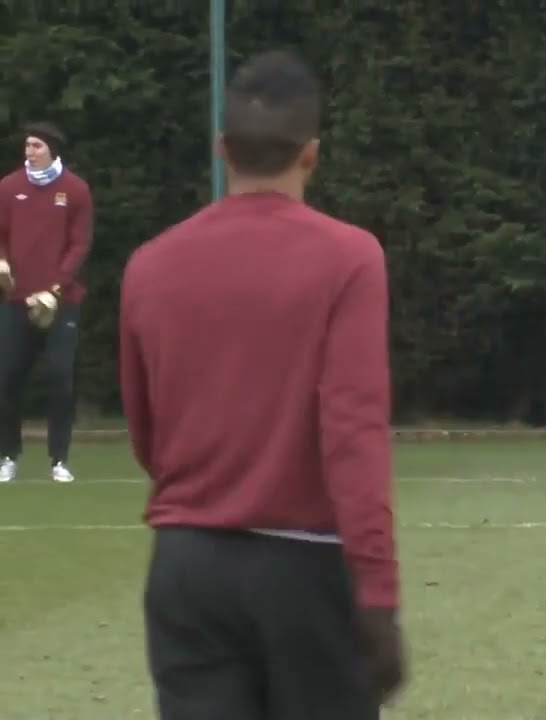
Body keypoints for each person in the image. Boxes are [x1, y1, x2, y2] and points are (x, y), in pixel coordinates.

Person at [118, 50, 405, 719]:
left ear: (224, 150)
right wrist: (378, 590)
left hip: (187, 562)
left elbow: (145, 428)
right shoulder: (349, 257)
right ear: (311, 154)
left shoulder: (150, 264)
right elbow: (353, 431)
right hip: (305, 567)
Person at [0, 122, 93, 484]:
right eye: (27, 146)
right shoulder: (8, 187)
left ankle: (59, 460)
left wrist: (54, 288)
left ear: (52, 149)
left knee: (60, 378)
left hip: (61, 302)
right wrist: (3, 262)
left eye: (36, 146)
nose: (29, 152)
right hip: (15, 301)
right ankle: (8, 456)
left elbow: (79, 244)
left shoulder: (75, 189)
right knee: (6, 381)